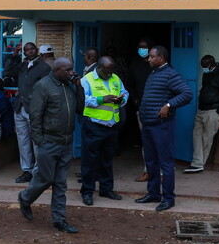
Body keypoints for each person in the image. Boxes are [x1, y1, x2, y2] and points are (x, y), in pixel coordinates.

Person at [17, 58, 84, 233]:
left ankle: (59, 220)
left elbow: (80, 109)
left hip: (66, 142)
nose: (72, 73)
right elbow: (35, 115)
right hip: (49, 142)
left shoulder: (69, 84)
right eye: (68, 70)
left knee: (60, 183)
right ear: (57, 70)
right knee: (45, 179)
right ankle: (25, 198)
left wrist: (79, 86)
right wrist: (40, 141)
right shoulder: (43, 86)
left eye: (72, 69)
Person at [134, 46, 193, 212]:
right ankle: (153, 193)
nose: (149, 59)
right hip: (148, 125)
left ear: (161, 58)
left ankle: (168, 198)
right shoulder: (154, 73)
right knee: (151, 162)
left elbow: (187, 93)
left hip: (161, 126)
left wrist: (168, 104)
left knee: (165, 163)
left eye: (152, 57)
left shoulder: (170, 74)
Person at [79, 56, 128, 206]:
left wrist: (121, 99)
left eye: (111, 72)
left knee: (107, 160)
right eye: (106, 72)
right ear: (99, 68)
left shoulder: (115, 78)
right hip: (94, 126)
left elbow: (125, 93)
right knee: (90, 161)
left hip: (111, 126)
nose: (109, 75)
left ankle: (106, 189)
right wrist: (102, 99)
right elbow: (83, 100)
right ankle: (87, 192)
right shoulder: (86, 80)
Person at [184, 55, 219, 173]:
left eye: (205, 66)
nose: (204, 69)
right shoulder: (207, 74)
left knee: (207, 138)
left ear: (212, 64)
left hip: (213, 111)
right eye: (203, 67)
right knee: (196, 136)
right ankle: (197, 162)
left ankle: (199, 163)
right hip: (202, 109)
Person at [11, 42, 52, 183]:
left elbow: (45, 89)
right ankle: (26, 170)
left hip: (34, 109)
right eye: (26, 50)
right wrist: (13, 56)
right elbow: (8, 73)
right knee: (23, 142)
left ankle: (38, 171)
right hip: (19, 108)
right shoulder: (22, 66)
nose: (29, 51)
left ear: (37, 51)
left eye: (31, 49)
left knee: (37, 141)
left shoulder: (44, 67)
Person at [126, 37, 153, 182]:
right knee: (146, 141)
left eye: (145, 47)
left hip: (157, 110)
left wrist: (167, 105)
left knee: (158, 142)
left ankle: (158, 173)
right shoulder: (135, 64)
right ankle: (148, 170)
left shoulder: (159, 66)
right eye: (139, 46)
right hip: (142, 108)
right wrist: (135, 100)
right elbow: (129, 85)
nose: (142, 49)